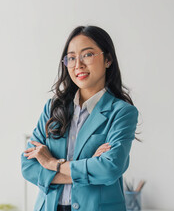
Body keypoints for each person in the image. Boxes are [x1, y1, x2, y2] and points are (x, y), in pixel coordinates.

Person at [21, 25, 139, 211]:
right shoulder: (53, 108)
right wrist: (89, 166)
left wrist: (53, 164)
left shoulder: (122, 112)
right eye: (72, 58)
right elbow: (29, 166)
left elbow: (109, 169)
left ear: (108, 59)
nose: (78, 64)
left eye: (88, 55)